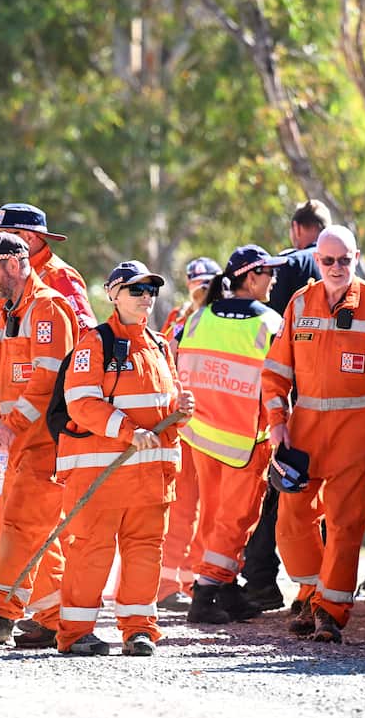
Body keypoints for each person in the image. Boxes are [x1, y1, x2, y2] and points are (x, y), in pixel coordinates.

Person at [262, 225, 365, 643]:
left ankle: (330, 612)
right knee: (292, 521)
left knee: (346, 525)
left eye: (344, 260)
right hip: (304, 432)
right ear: (316, 260)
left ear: (357, 258)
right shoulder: (300, 302)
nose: (336, 268)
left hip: (357, 432)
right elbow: (275, 372)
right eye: (328, 260)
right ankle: (311, 592)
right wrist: (277, 422)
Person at [55, 261, 193, 655]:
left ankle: (139, 630)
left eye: (151, 291)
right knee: (92, 551)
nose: (146, 297)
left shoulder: (160, 345)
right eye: (136, 290)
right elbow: (80, 402)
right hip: (102, 475)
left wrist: (182, 409)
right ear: (113, 295)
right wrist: (130, 431)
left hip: (151, 477)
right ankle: (76, 633)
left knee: (146, 552)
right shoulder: (94, 343)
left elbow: (162, 406)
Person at [0, 233, 77, 648]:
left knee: (19, 526)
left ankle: (0, 614)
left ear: (12, 264)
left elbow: (47, 379)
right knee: (38, 533)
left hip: (45, 443)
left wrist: (10, 424)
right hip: (13, 444)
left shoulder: (49, 309)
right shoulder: (3, 314)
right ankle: (56, 619)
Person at [178, 246, 284, 625]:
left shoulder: (198, 318)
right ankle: (207, 592)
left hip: (203, 435)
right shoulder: (270, 323)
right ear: (251, 278)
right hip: (245, 438)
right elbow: (280, 382)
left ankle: (221, 586)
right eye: (268, 273)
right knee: (237, 519)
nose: (273, 279)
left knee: (212, 513)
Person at [242, 199, 331, 612]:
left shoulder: (285, 266)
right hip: (336, 401)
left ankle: (262, 580)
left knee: (279, 489)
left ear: (297, 229)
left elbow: (270, 337)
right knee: (329, 497)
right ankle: (327, 586)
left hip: (286, 397)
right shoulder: (347, 272)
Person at [155, 256, 221, 611]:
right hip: (183, 424)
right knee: (180, 508)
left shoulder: (225, 318)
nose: (202, 287)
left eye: (208, 281)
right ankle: (167, 584)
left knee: (212, 510)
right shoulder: (178, 318)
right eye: (197, 281)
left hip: (215, 426)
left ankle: (196, 579)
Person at [0, 202, 95, 329]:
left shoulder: (59, 276)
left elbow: (86, 335)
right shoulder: (9, 277)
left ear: (29, 237)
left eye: (3, 235)